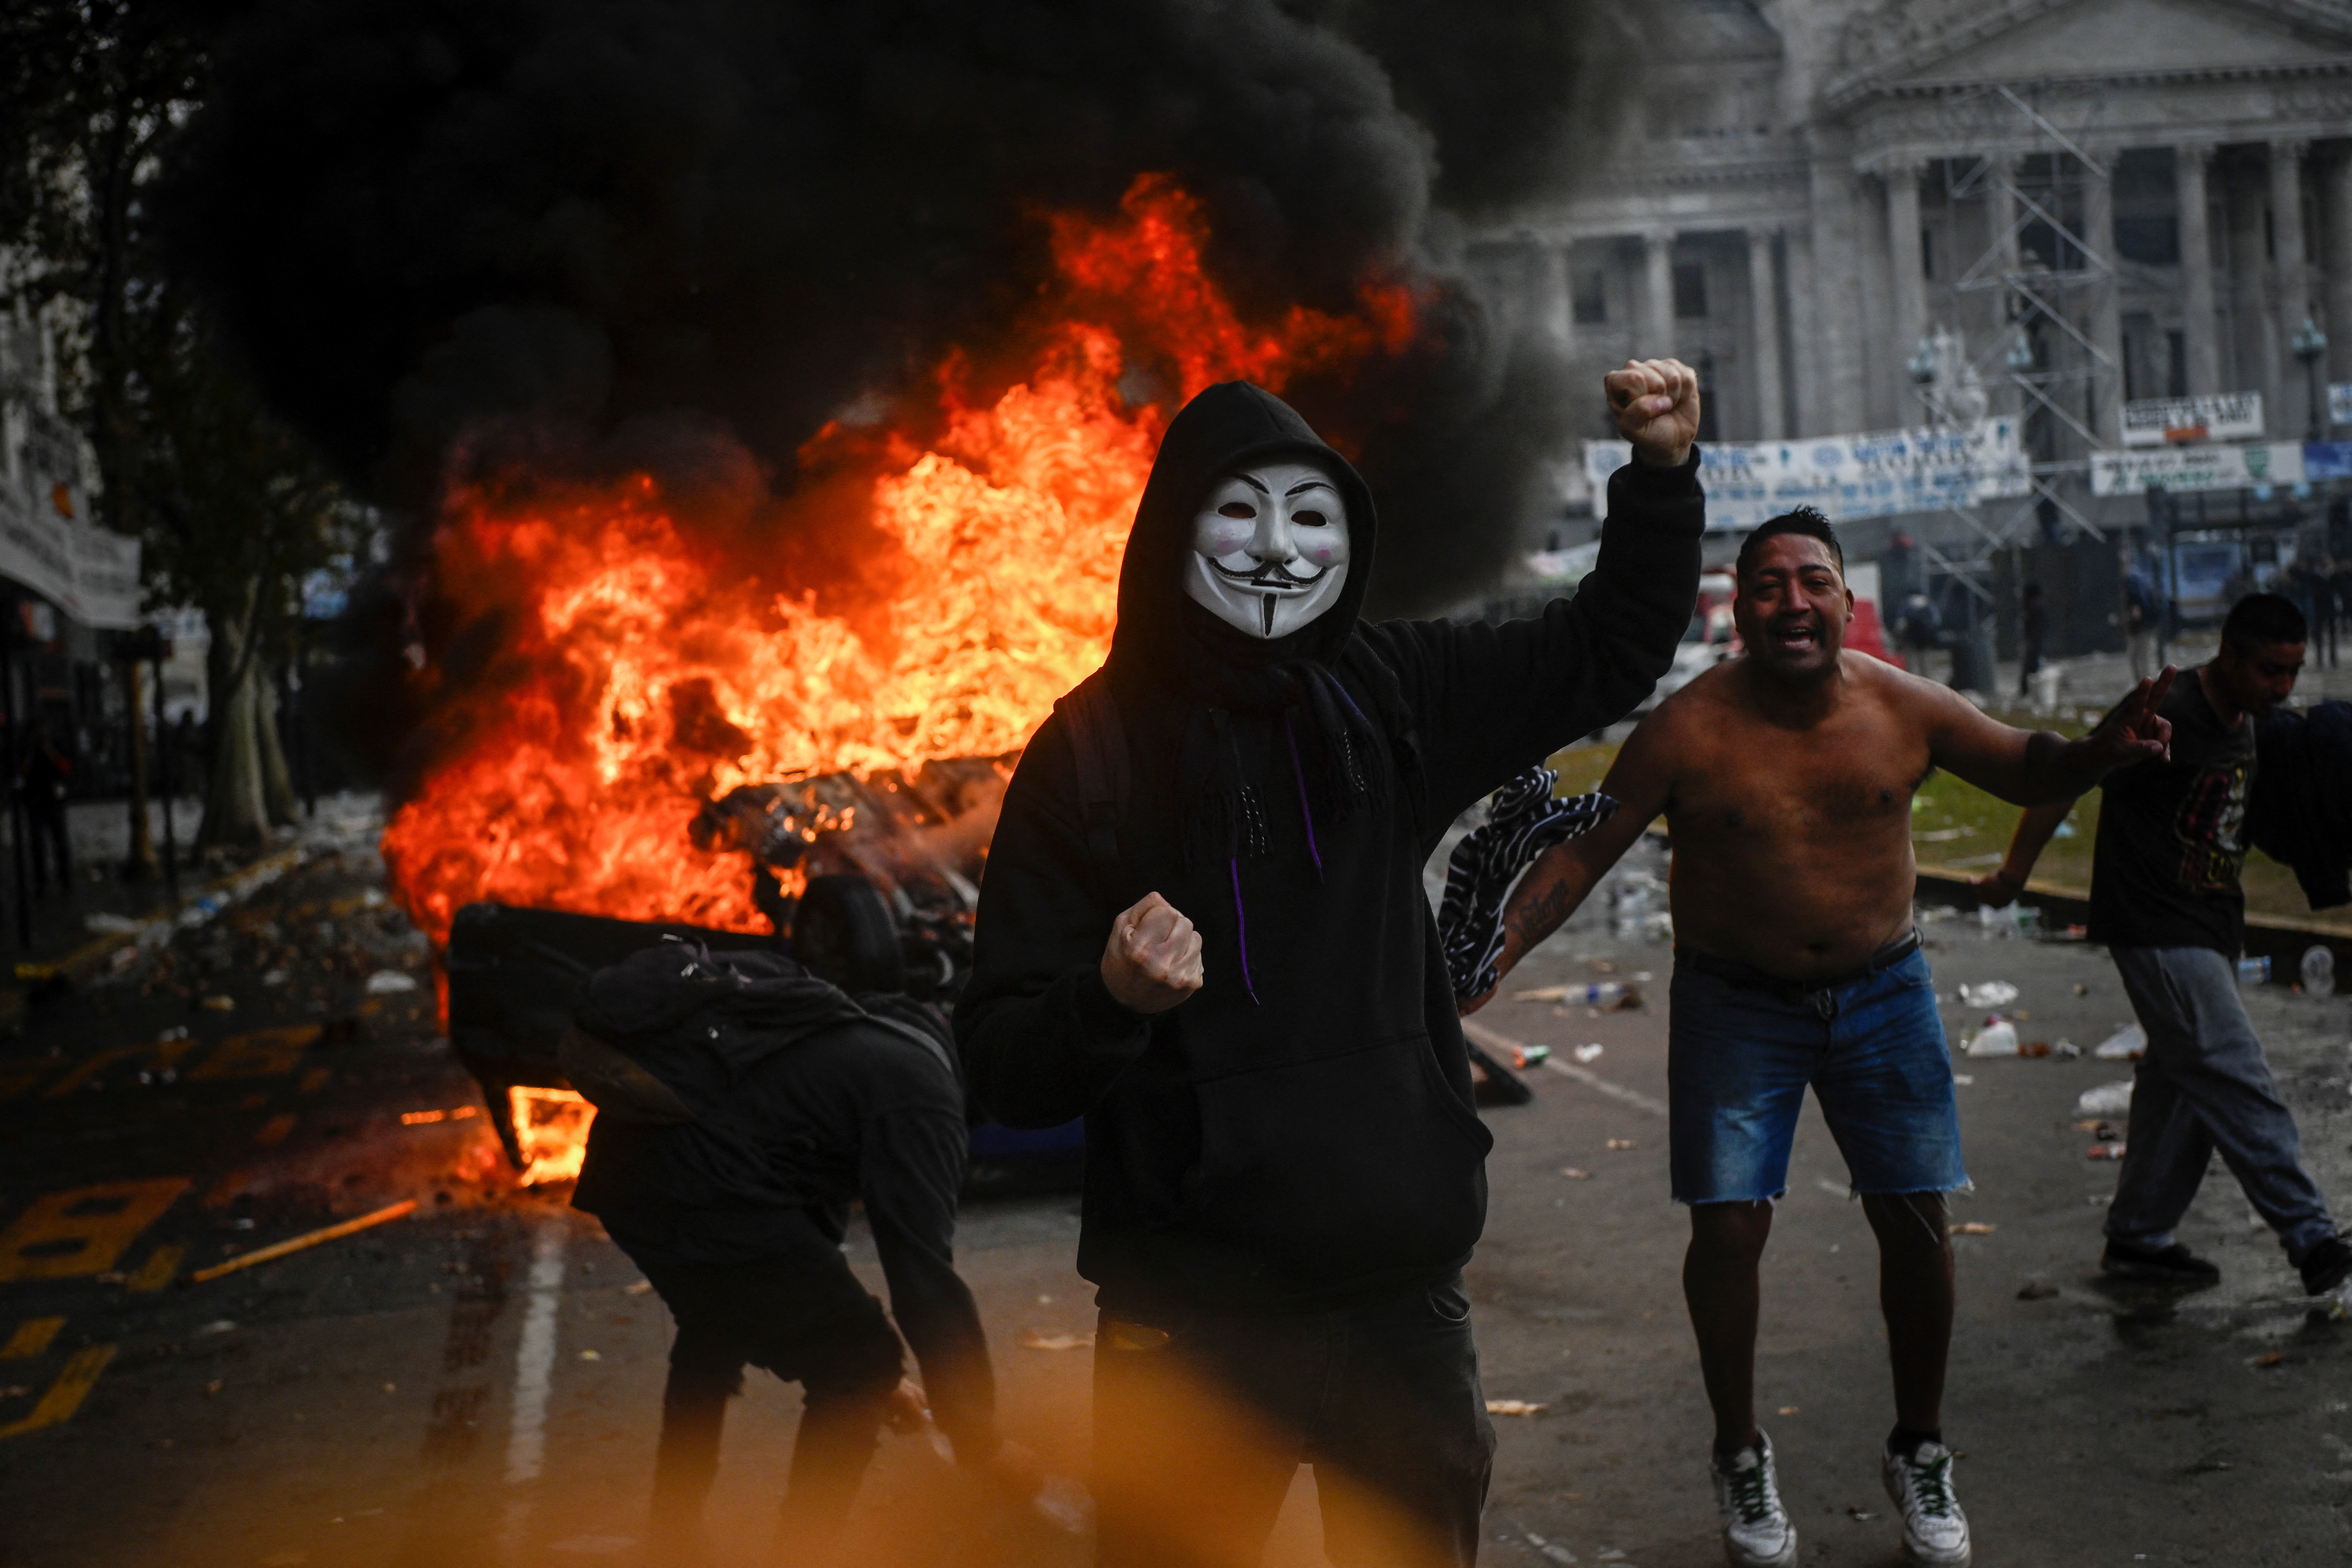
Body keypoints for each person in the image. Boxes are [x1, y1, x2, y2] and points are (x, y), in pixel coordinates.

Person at [957, 363, 1706, 1568]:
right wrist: (1109, 1002)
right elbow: (1001, 1064)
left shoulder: (1392, 695)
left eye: (1308, 517)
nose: (1274, 549)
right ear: (1174, 529)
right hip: (1188, 1332)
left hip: (1398, 1308)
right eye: (1238, 514)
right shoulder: (1084, 756)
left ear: (1345, 540)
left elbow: (1605, 650)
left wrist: (1661, 475)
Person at [1467, 508, 2178, 1568]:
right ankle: (1738, 1450)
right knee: (1728, 1231)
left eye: (1811, 581)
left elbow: (2028, 766)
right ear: (1739, 608)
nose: (1790, 602)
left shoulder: (1905, 707)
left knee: (1916, 1223)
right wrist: (1496, 951)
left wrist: (2099, 750)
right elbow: (1582, 855)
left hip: (1881, 992)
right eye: (1766, 584)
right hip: (1733, 1002)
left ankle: (1919, 1447)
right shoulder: (1683, 728)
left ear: (1846, 601)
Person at [566, 939, 1032, 1562]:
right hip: (698, 1188)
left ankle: (672, 1529)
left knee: (715, 1323)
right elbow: (922, 1273)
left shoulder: (873, 1025)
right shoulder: (925, 1097)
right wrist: (980, 1437)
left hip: (630, 1176)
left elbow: (801, 1215)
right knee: (860, 1364)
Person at [1980, 592, 2351, 1304]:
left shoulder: (2248, 721)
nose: (2284, 687)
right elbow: (2066, 776)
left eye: (2293, 672)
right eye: (2271, 671)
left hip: (2209, 926)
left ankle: (2138, 1238)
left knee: (2181, 1085)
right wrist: (2014, 873)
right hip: (2156, 925)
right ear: (2230, 656)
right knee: (2234, 1073)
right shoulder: (2167, 709)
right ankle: (2312, 1240)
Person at [20, 719, 72, 896]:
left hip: (53, 801)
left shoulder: (55, 746)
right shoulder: (28, 750)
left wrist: (50, 751)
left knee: (61, 843)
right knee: (38, 846)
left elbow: (64, 768)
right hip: (36, 801)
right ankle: (41, 882)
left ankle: (65, 880)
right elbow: (22, 772)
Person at [2016, 581, 2045, 702]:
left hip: (2034, 641)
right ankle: (2029, 691)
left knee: (2031, 667)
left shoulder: (2033, 608)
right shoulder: (2034, 607)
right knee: (2031, 667)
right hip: (2035, 641)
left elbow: (2034, 627)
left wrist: (2030, 641)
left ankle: (2028, 691)